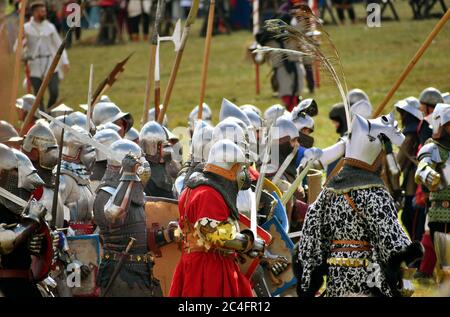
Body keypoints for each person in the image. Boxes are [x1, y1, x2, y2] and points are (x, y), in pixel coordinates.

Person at [294, 113, 423, 297]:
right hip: (367, 282)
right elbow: (390, 238)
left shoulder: (327, 193)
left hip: (336, 280)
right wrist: (405, 262)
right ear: (375, 157)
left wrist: (309, 278)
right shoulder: (375, 194)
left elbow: (309, 239)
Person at [169, 139, 265, 297]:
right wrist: (248, 242)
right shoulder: (208, 193)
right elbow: (212, 233)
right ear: (230, 168)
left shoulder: (195, 188)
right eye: (240, 168)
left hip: (198, 262)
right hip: (208, 267)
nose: (243, 174)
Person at [94, 140, 175, 296]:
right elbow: (114, 214)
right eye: (138, 163)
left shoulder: (133, 194)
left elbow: (137, 239)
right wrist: (129, 175)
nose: (144, 167)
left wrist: (166, 235)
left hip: (141, 273)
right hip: (118, 273)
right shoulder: (106, 194)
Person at [0, 143, 49, 297]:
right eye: (15, 173)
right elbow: (4, 242)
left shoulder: (16, 212)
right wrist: (32, 221)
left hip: (23, 284)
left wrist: (41, 243)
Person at [415, 103, 450, 280]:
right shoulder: (433, 148)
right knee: (447, 268)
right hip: (443, 213)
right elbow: (421, 169)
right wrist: (431, 175)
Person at [22, 1, 70, 111]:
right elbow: (18, 47)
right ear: (33, 13)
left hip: (50, 63)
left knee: (54, 92)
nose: (44, 13)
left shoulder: (50, 27)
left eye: (44, 11)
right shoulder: (25, 28)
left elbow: (59, 44)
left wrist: (65, 61)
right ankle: (42, 115)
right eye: (41, 12)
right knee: (38, 96)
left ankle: (49, 110)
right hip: (34, 65)